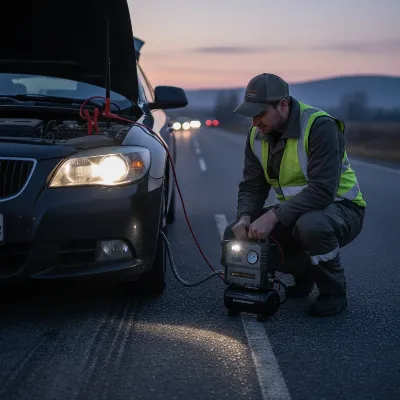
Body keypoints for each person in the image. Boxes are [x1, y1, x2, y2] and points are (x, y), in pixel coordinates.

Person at [225, 73, 366, 317]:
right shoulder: (256, 136)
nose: (255, 122)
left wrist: (273, 217)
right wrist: (245, 217)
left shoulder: (320, 127)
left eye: (260, 113)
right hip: (296, 211)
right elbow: (252, 186)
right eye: (252, 115)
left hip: (342, 209)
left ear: (283, 104)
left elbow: (323, 191)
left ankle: (333, 292)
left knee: (310, 225)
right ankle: (305, 273)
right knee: (236, 233)